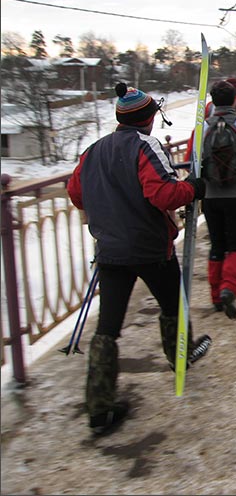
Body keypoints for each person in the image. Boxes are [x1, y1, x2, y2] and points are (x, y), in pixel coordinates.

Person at [67, 82, 211, 436]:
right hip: (149, 249)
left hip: (110, 251)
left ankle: (99, 407)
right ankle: (182, 354)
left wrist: (110, 209)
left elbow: (75, 193)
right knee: (172, 305)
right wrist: (193, 187)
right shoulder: (146, 146)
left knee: (108, 328)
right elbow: (163, 194)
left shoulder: (92, 151)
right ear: (148, 119)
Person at [187, 80, 236, 318]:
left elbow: (192, 158)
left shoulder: (200, 129)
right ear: (234, 100)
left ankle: (214, 297)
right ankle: (229, 288)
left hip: (210, 195)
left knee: (216, 244)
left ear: (212, 101)